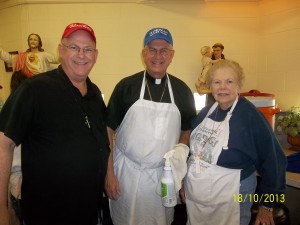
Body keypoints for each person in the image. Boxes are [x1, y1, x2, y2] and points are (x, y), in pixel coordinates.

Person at [0, 22, 110, 225]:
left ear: (95, 55)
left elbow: (103, 140)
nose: (81, 55)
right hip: (46, 214)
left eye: (87, 49)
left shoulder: (95, 94)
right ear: (61, 50)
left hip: (89, 211)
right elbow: (3, 143)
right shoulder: (35, 89)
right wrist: (1, 209)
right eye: (74, 47)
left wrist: (108, 176)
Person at [105, 27, 196, 225]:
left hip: (163, 176)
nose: (157, 55)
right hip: (126, 174)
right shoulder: (126, 87)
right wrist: (109, 173)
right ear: (144, 54)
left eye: (164, 50)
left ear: (171, 55)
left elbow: (187, 131)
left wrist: (179, 168)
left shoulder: (182, 91)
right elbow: (108, 130)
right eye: (152, 49)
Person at [181, 59, 286, 225]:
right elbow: (194, 153)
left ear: (239, 85)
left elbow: (275, 159)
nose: (223, 87)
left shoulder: (250, 116)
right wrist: (184, 183)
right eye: (217, 82)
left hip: (234, 192)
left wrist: (267, 204)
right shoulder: (206, 112)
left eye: (229, 81)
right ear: (210, 86)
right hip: (199, 196)